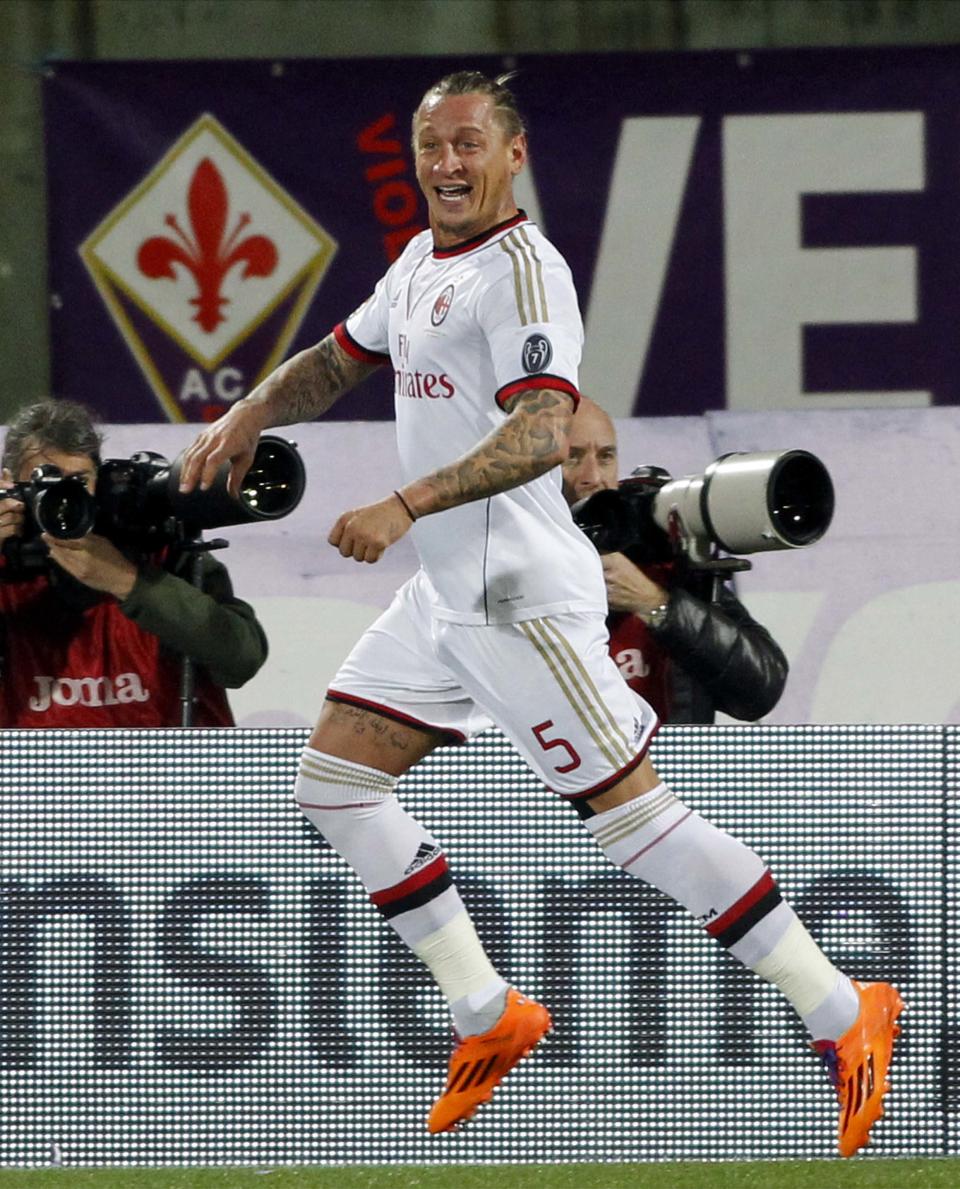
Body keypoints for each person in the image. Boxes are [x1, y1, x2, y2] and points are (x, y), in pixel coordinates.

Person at [178, 71, 902, 1154]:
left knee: (636, 825)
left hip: (520, 594)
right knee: (332, 780)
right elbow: (339, 358)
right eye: (431, 145)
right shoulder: (423, 261)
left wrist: (403, 502)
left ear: (512, 156)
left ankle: (847, 1011)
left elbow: (539, 434)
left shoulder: (528, 272)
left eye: (468, 143)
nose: (447, 164)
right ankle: (486, 1009)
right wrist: (248, 407)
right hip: (445, 595)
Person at [0, 399, 268, 727]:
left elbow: (242, 659)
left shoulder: (159, 549)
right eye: (47, 480)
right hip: (31, 774)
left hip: (173, 771)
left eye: (80, 481)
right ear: (8, 484)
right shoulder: (5, 567)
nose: (65, 498)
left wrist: (127, 581)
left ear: (99, 479)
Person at [562, 396, 789, 723]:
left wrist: (657, 605)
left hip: (671, 769)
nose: (594, 477)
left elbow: (760, 690)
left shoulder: (662, 568)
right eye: (573, 457)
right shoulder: (498, 563)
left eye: (606, 456)